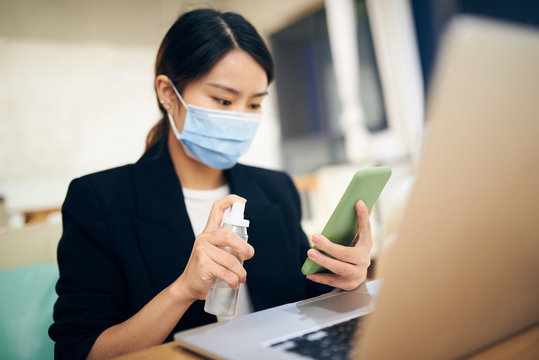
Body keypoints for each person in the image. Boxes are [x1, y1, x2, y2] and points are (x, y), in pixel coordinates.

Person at [49, 8, 373, 360]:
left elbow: (305, 308)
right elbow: (79, 351)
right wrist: (183, 290)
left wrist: (348, 280)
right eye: (222, 100)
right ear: (168, 94)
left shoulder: (276, 189)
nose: (239, 118)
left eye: (254, 104)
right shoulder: (98, 201)